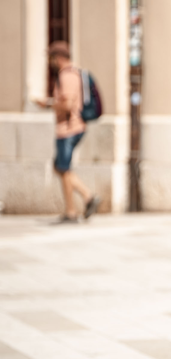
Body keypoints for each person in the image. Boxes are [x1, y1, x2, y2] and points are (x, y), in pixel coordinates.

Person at [33, 42, 100, 223]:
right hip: (71, 127)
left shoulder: (67, 75)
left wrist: (46, 103)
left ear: (59, 58)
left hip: (69, 128)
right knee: (61, 167)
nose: (51, 62)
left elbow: (68, 104)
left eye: (52, 58)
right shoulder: (73, 73)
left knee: (63, 168)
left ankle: (79, 204)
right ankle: (83, 201)